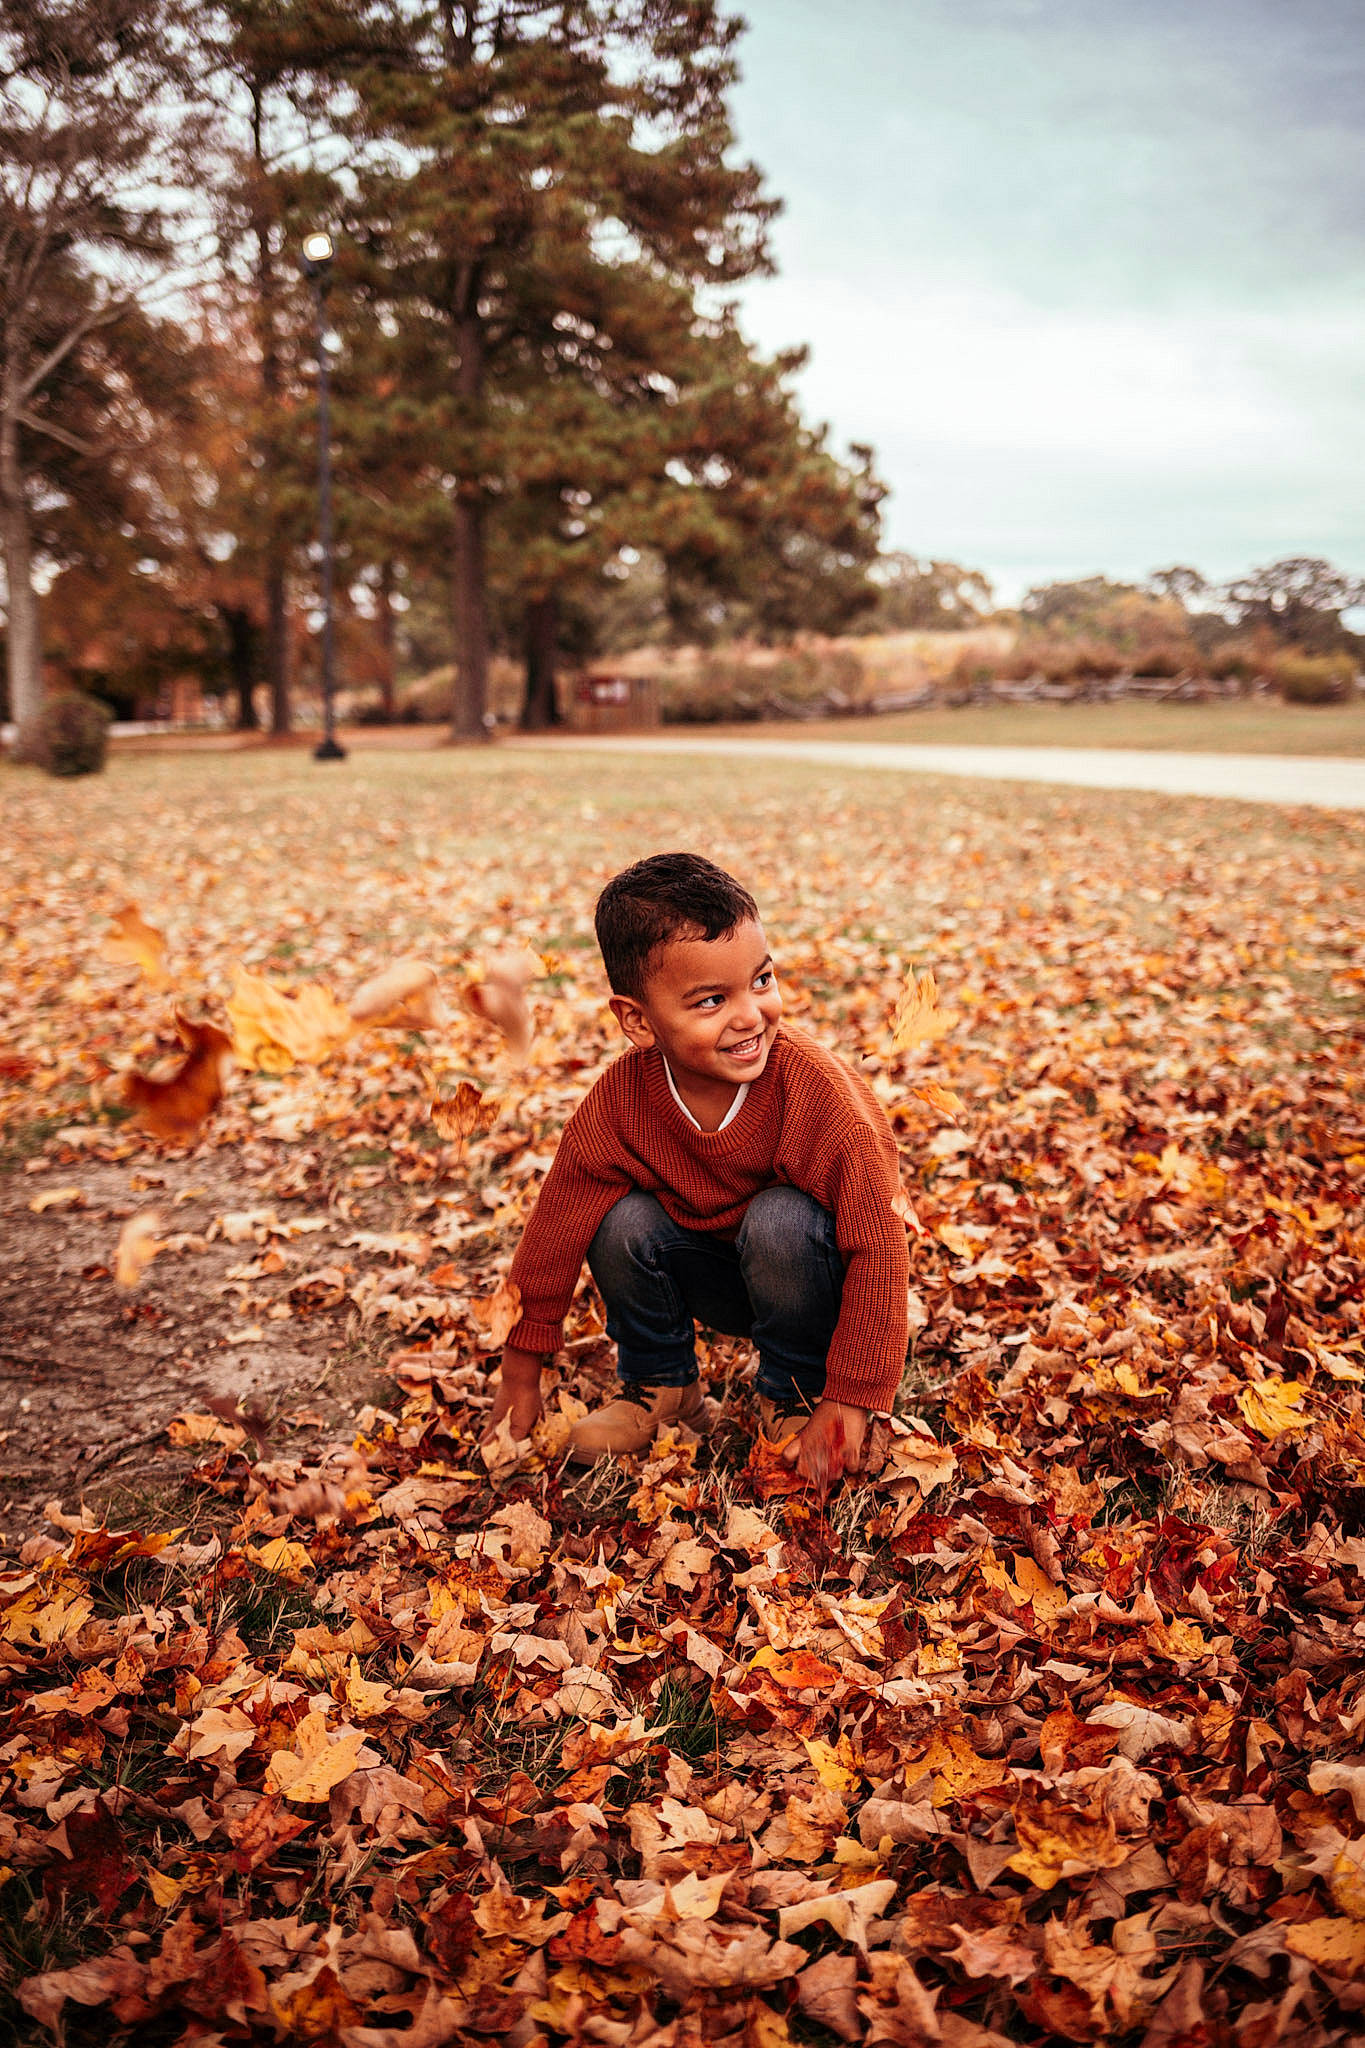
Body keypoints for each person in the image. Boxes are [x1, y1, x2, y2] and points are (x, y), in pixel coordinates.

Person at [482, 852, 910, 1484]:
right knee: (613, 1217)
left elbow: (879, 1241)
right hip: (708, 1273)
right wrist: (519, 1374)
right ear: (637, 1020)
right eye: (711, 1000)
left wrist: (852, 1396)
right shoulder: (623, 1101)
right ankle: (663, 1385)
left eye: (761, 981)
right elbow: (553, 1232)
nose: (748, 1015)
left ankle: (794, 1393)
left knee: (781, 1215)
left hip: (807, 1273)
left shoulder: (817, 1095)